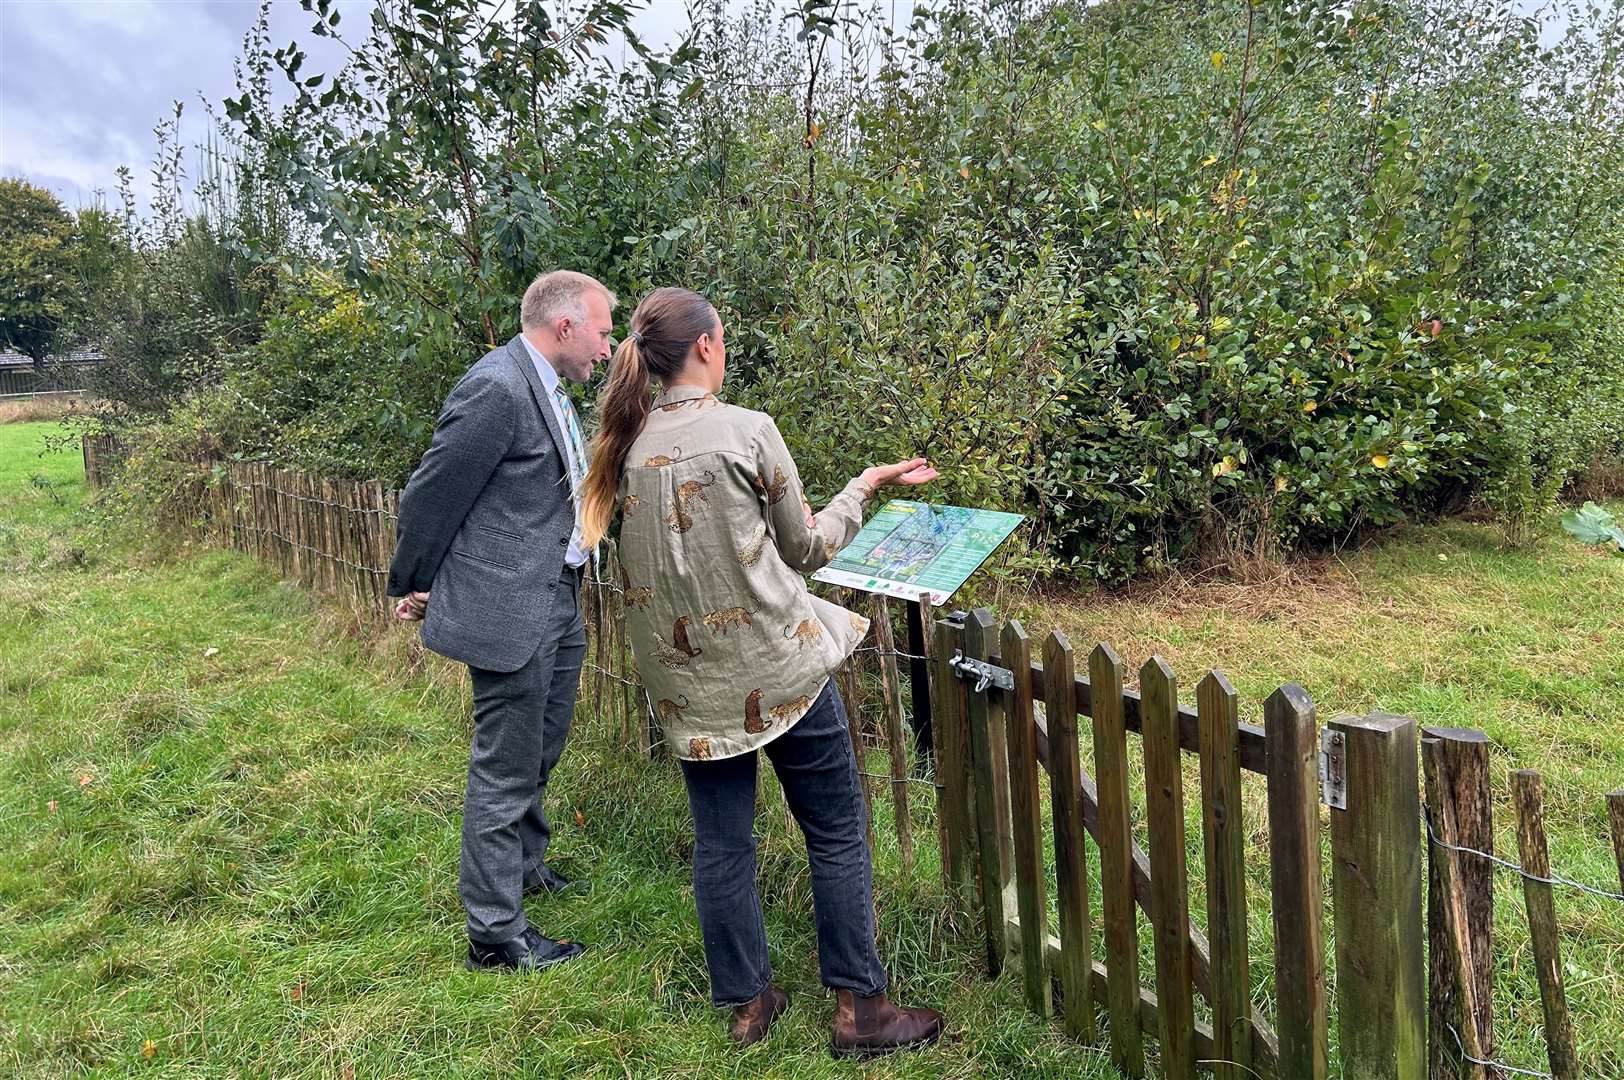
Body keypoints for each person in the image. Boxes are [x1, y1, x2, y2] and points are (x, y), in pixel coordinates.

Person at [578, 286, 946, 1057]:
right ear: (708, 347)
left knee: (722, 845)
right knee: (837, 830)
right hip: (780, 676)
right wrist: (865, 487)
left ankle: (749, 1006)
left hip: (691, 693)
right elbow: (808, 549)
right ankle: (861, 1011)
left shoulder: (620, 447)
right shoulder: (747, 432)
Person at [387, 270, 616, 972]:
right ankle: (494, 933)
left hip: (556, 591)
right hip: (510, 605)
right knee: (505, 765)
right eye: (604, 334)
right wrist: (413, 580)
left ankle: (522, 867)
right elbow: (432, 493)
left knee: (541, 744)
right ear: (566, 325)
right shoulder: (496, 386)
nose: (608, 351)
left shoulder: (545, 384)